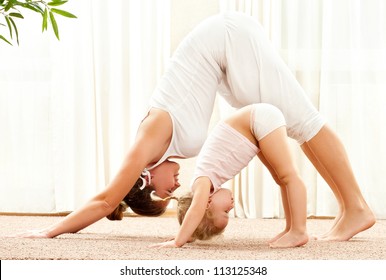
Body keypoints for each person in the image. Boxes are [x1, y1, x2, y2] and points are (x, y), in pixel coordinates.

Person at [14, 11, 374, 240]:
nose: (175, 190)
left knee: (304, 119)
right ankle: (348, 208)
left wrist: (52, 231)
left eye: (164, 193)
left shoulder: (149, 138)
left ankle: (356, 207)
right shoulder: (165, 148)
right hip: (222, 58)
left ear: (145, 178)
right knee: (291, 125)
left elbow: (107, 199)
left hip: (226, 41)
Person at [151, 103, 309, 248]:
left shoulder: (202, 182)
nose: (231, 207)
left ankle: (299, 231)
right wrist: (190, 234)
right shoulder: (207, 181)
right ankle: (291, 228)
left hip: (256, 120)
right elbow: (197, 212)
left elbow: (196, 210)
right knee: (281, 179)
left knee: (288, 176)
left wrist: (178, 241)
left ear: (207, 204)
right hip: (255, 124)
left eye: (225, 211)